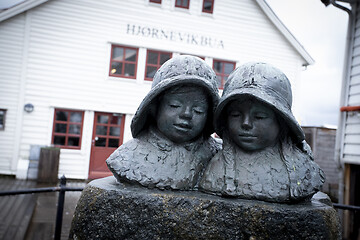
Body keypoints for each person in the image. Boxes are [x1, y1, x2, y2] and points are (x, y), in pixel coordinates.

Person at [199, 62, 325, 202]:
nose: (246, 123)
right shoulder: (216, 167)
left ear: (281, 121)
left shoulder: (304, 171)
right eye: (236, 115)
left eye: (259, 117)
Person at [107, 55, 221, 190]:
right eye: (174, 105)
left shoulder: (220, 157)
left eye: (198, 110)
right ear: (155, 108)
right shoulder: (126, 158)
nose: (186, 114)